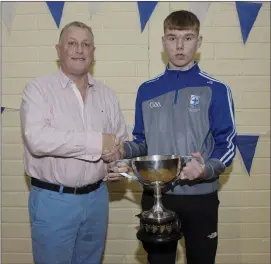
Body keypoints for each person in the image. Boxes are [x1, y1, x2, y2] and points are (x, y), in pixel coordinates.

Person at [108, 10, 237, 264]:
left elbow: (227, 143)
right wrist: (123, 150)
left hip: (201, 198)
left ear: (198, 42)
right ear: (163, 42)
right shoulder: (147, 90)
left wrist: (205, 169)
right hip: (157, 197)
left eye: (188, 38)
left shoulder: (217, 89)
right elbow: (143, 142)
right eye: (172, 37)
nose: (179, 46)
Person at [20, 21, 128, 264]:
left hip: (97, 198)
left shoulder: (107, 95)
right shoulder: (38, 90)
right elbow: (38, 139)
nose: (79, 50)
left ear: (93, 52)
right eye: (72, 43)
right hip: (53, 201)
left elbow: (120, 141)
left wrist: (118, 164)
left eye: (86, 44)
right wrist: (99, 143)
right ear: (59, 51)